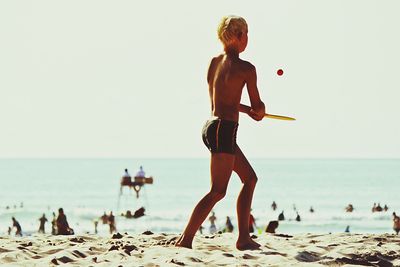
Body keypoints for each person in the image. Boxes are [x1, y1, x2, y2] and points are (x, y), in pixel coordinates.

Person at [175, 15, 265, 251]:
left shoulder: (214, 62)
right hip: (223, 130)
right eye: (246, 34)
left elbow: (223, 101)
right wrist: (259, 110)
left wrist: (247, 112)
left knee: (250, 179)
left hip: (213, 127)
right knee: (218, 190)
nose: (248, 39)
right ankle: (186, 239)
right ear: (238, 37)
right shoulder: (247, 68)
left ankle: (243, 237)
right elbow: (258, 105)